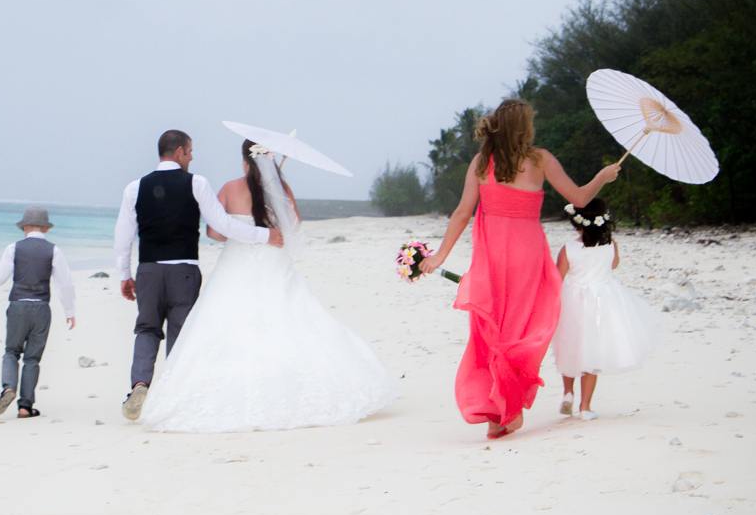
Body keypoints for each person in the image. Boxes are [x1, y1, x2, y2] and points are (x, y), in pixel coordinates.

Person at [139, 140, 397, 432]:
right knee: (293, 321)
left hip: (234, 267)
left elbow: (216, 232)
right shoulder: (282, 190)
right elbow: (294, 230)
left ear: (244, 161)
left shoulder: (229, 188)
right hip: (274, 265)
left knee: (222, 327)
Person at [419, 99, 619, 439]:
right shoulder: (540, 159)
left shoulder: (482, 162)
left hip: (493, 256)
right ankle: (507, 407)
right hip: (527, 255)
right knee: (523, 329)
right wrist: (603, 176)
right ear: (524, 128)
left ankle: (499, 412)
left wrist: (439, 256)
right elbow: (581, 198)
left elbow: (462, 213)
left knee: (491, 330)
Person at [114, 129, 285, 421]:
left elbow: (123, 236)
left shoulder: (135, 187)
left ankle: (140, 384)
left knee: (146, 329)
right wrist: (264, 235)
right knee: (182, 333)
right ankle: (174, 395)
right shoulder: (196, 183)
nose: (192, 157)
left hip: (149, 270)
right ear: (179, 151)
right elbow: (223, 226)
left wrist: (124, 274)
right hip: (184, 270)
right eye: (190, 151)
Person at [551, 198, 663, 421]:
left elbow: (557, 278)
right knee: (591, 353)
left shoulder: (569, 249)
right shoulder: (611, 245)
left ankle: (568, 393)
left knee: (569, 346)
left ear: (577, 223)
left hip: (573, 300)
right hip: (603, 302)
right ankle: (585, 407)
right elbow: (613, 265)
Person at [0, 205, 76, 419]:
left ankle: (8, 388)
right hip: (41, 308)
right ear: (46, 229)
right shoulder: (53, 250)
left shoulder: (13, 248)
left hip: (18, 306)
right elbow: (65, 283)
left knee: (11, 351)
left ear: (24, 227)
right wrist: (69, 310)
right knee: (32, 358)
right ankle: (25, 406)